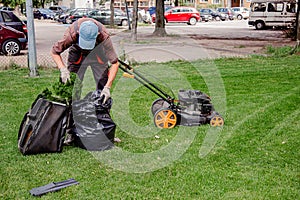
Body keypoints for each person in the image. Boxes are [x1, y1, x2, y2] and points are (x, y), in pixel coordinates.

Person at [51, 18, 121, 143]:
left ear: (97, 35)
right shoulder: (71, 34)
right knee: (73, 92)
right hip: (77, 54)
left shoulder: (103, 36)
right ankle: (71, 132)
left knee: (102, 93)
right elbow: (55, 52)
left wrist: (107, 87)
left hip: (98, 54)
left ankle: (106, 131)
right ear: (78, 35)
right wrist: (63, 69)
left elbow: (115, 63)